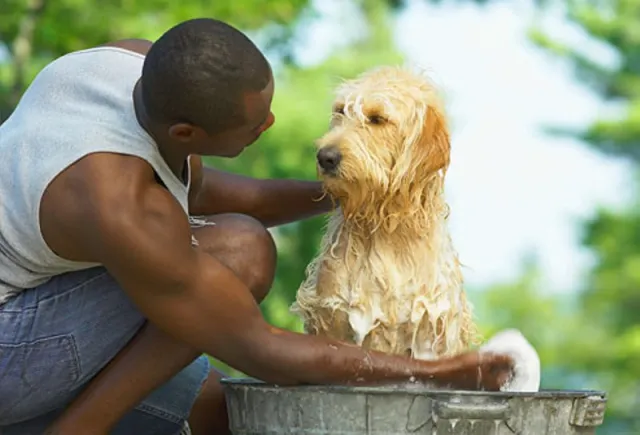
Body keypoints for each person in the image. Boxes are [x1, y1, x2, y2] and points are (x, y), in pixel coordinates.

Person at [0, 18, 514, 435]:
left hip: (39, 293)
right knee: (241, 251)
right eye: (253, 126)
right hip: (9, 342)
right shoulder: (118, 205)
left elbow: (193, 188)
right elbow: (261, 350)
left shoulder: (132, 68)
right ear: (187, 131)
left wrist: (358, 189)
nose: (268, 125)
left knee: (219, 412)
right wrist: (442, 372)